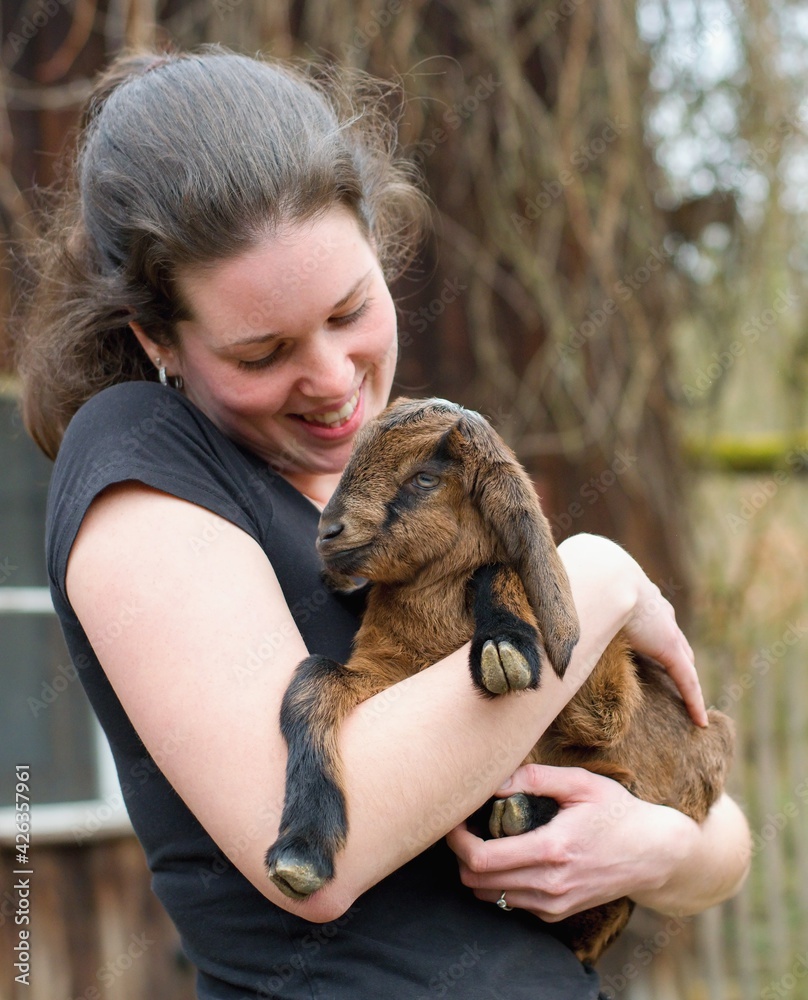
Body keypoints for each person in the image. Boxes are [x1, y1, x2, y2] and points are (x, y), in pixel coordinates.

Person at [16, 46, 751, 1000]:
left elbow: (719, 831)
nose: (330, 378)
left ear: (376, 242)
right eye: (263, 351)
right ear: (159, 338)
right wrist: (601, 578)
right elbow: (329, 844)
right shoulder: (141, 460)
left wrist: (647, 850)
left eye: (351, 309)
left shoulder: (415, 470)